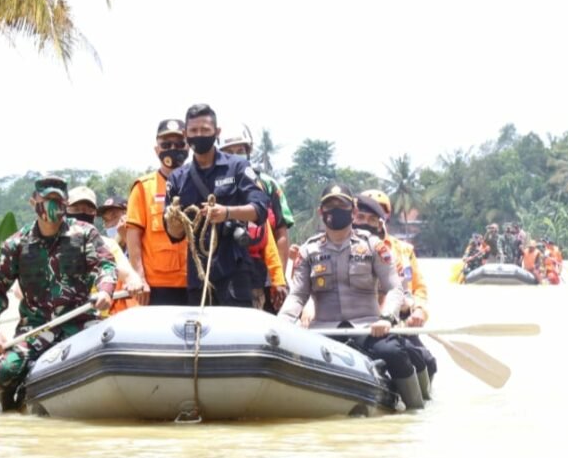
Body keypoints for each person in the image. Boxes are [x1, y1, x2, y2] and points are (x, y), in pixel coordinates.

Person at [278, 183, 424, 409]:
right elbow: (297, 296)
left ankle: (415, 410)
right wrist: (283, 323)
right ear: (321, 212)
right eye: (330, 206)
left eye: (342, 205)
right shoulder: (309, 251)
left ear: (353, 212)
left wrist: (386, 318)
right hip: (323, 331)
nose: (335, 210)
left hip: (367, 328)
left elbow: (395, 288)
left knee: (393, 352)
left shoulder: (373, 246)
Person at [0, 175, 118, 411]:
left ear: (66, 204)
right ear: (34, 201)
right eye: (47, 199)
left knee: (109, 356)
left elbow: (105, 265)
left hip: (80, 321)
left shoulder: (84, 234)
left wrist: (106, 290)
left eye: (58, 200)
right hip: (35, 327)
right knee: (5, 373)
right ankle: (9, 417)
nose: (52, 206)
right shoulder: (17, 244)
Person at [164, 104, 269, 307]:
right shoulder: (177, 178)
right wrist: (175, 220)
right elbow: (175, 235)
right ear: (186, 134)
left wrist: (227, 213)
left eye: (205, 130)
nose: (199, 135)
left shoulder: (237, 167)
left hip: (234, 272)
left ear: (216, 132)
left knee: (237, 336)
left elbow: (260, 209)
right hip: (199, 276)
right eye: (194, 131)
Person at [355, 189, 436, 398]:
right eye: (361, 214)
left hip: (397, 320)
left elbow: (418, 289)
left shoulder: (403, 250)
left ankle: (418, 399)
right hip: (361, 318)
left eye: (374, 214)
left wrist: (418, 312)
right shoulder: (345, 245)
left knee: (427, 361)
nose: (367, 219)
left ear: (384, 217)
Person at [219, 124, 289, 311]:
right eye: (229, 151)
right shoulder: (215, 185)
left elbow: (275, 236)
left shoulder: (267, 186)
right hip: (224, 270)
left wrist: (279, 279)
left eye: (240, 150)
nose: (235, 156)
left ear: (248, 151)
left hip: (259, 274)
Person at [125, 118, 191, 305]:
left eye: (179, 144)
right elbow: (133, 235)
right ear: (157, 150)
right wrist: (139, 278)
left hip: (196, 282)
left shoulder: (199, 184)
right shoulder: (143, 188)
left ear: (188, 148)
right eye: (166, 144)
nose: (173, 148)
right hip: (157, 286)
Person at [67, 186, 142, 314]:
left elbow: (129, 274)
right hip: (63, 318)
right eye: (76, 209)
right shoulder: (50, 244)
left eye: (87, 210)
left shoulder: (108, 244)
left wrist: (133, 281)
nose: (82, 214)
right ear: (66, 211)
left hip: (101, 319)